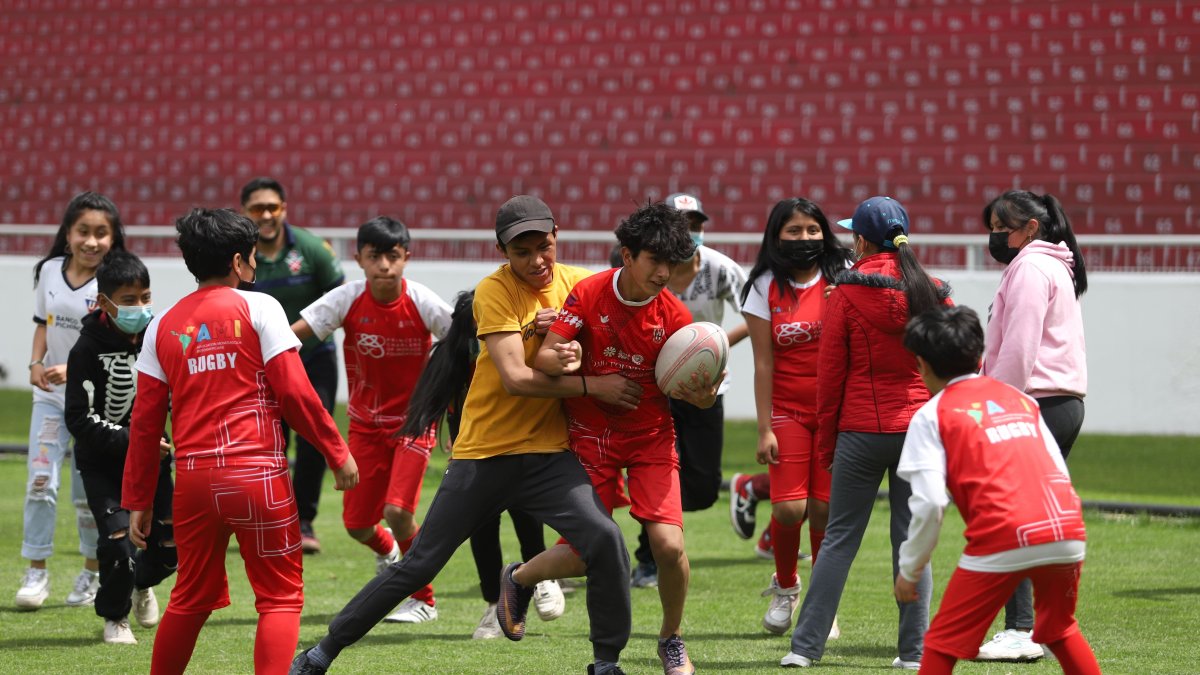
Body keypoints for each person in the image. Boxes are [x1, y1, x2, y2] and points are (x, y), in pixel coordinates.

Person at [290, 195, 641, 675]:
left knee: (605, 539)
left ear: (557, 235)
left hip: (549, 458)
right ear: (503, 252)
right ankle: (320, 653)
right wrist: (592, 380)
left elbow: (620, 324)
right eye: (523, 252)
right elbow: (517, 377)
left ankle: (605, 662)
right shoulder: (492, 292)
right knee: (419, 564)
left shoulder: (580, 284)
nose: (538, 260)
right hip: (483, 457)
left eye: (545, 246)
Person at [121, 208, 359, 674]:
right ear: (237, 261)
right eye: (252, 258)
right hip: (259, 478)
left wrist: (139, 499)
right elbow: (294, 391)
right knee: (279, 598)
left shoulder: (162, 325)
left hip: (193, 483)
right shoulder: (261, 306)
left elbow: (146, 425)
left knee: (188, 598)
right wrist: (336, 449)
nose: (254, 267)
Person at [531, 202, 719, 675]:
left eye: (671, 264)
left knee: (669, 547)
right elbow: (546, 357)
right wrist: (566, 358)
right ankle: (518, 578)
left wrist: (702, 396)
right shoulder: (589, 293)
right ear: (627, 254)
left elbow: (699, 397)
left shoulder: (675, 317)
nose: (663, 273)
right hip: (591, 435)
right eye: (654, 260)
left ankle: (671, 639)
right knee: (584, 552)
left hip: (651, 436)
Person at [781, 196, 950, 669]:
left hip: (859, 430)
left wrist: (827, 442)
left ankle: (804, 649)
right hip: (919, 430)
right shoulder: (934, 290)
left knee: (838, 540)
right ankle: (914, 653)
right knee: (911, 541)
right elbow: (961, 359)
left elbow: (830, 374)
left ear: (860, 240)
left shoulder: (846, 294)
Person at [896, 305, 1100, 675]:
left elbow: (928, 503)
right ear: (980, 354)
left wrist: (909, 570)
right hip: (1067, 528)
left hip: (1002, 535)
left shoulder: (930, 415)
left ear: (921, 364)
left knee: (941, 645)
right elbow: (1057, 469)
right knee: (1060, 629)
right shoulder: (1020, 399)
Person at [291, 216, 452, 624]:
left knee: (398, 512)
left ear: (406, 259)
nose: (384, 265)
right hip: (364, 424)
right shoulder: (346, 298)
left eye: (393, 257)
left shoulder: (423, 302)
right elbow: (296, 335)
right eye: (374, 256)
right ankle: (389, 552)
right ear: (359, 259)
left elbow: (465, 345)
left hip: (414, 423)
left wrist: (455, 410)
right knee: (358, 525)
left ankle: (425, 600)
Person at [399, 290, 567, 640]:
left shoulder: (525, 339)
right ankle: (493, 606)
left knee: (527, 517)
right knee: (483, 530)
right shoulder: (459, 354)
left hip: (524, 447)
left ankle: (540, 576)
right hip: (479, 454)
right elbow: (452, 397)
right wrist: (454, 432)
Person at [974, 190, 1090, 662]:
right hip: (1056, 403)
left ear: (1031, 228)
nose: (996, 235)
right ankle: (1038, 624)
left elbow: (1019, 348)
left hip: (1034, 402)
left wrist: (995, 405)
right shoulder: (1052, 265)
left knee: (1012, 516)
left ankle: (1022, 628)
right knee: (1030, 517)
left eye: (1003, 226)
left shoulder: (1028, 268)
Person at [737, 198, 854, 637]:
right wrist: (765, 427)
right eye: (794, 231)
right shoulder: (762, 286)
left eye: (812, 230)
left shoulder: (842, 273)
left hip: (837, 413)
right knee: (789, 510)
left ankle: (822, 606)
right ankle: (786, 586)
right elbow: (763, 363)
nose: (804, 238)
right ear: (776, 235)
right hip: (787, 411)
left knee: (824, 511)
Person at [626, 192, 750, 590]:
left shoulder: (720, 269)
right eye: (682, 225)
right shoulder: (645, 267)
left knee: (703, 487)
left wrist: (710, 347)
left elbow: (757, 314)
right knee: (655, 474)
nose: (690, 233)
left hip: (706, 387)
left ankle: (663, 518)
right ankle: (648, 559)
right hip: (654, 389)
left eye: (696, 226)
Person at [17, 192, 125, 611]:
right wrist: (34, 362)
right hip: (49, 400)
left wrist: (76, 370)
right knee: (40, 481)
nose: (92, 241)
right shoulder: (47, 271)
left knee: (86, 496)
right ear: (68, 234)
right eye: (84, 231)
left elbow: (119, 347)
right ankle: (36, 572)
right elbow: (42, 323)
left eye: (102, 233)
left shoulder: (116, 283)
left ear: (114, 239)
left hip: (95, 406)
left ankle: (90, 573)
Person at [65, 250, 176, 644]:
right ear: (104, 302)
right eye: (129, 301)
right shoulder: (85, 350)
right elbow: (78, 418)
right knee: (118, 542)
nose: (141, 307)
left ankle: (138, 582)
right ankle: (115, 616)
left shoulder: (158, 337)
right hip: (104, 465)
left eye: (146, 297)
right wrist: (136, 440)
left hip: (155, 462)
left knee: (170, 548)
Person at [241, 177, 345, 554]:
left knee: (314, 436)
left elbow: (338, 301)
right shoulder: (240, 255)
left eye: (273, 207)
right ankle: (273, 519)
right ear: (246, 213)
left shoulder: (313, 249)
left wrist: (296, 338)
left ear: (284, 208)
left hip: (314, 359)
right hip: (262, 362)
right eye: (257, 209)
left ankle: (304, 522)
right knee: (269, 440)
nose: (266, 215)